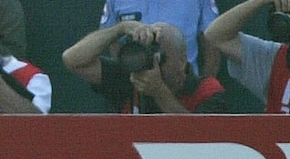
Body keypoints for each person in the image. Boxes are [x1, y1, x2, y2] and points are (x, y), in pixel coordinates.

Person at [62, 21, 225, 114]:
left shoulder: (206, 90)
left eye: (159, 59)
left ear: (182, 61)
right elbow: (72, 59)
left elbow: (202, 137)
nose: (152, 67)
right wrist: (120, 29)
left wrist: (159, 92)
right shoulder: (132, 77)